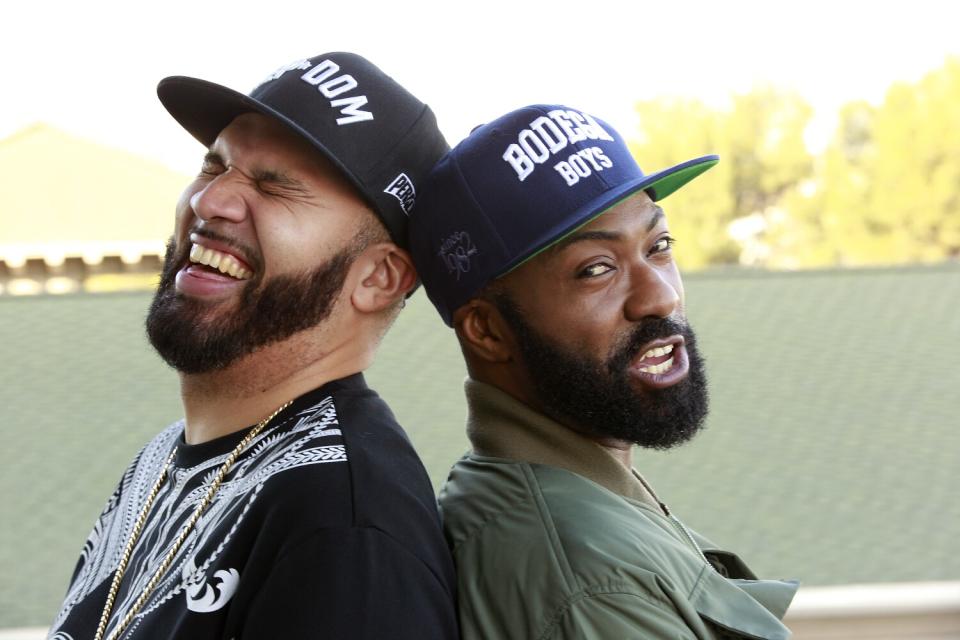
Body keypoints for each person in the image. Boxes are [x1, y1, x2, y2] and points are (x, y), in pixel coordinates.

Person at [49, 52, 458, 640]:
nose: (208, 202)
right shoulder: (165, 459)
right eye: (214, 167)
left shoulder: (343, 526)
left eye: (275, 186)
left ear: (378, 278)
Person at [408, 105, 798, 639]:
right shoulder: (593, 584)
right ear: (487, 331)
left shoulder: (569, 502)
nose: (661, 297)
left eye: (658, 247)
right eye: (598, 269)